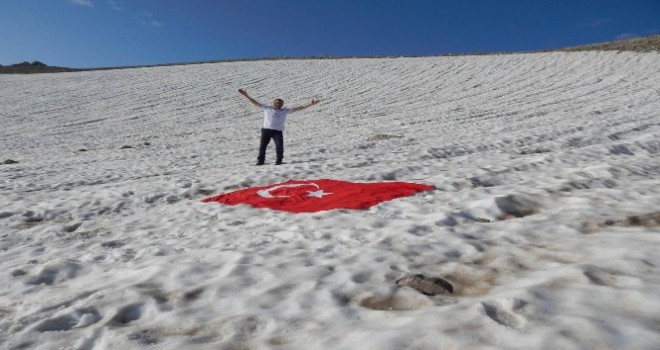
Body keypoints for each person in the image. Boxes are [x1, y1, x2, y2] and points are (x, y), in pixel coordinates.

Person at [238, 89, 320, 165]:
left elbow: (299, 108)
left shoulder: (285, 111)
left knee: (279, 146)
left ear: (282, 104)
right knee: (263, 146)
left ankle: (279, 161)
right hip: (266, 130)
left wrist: (310, 104)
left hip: (277, 132)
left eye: (280, 103)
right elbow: (255, 103)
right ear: (274, 103)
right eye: (277, 103)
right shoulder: (267, 108)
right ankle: (260, 161)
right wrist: (246, 95)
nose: (278, 104)